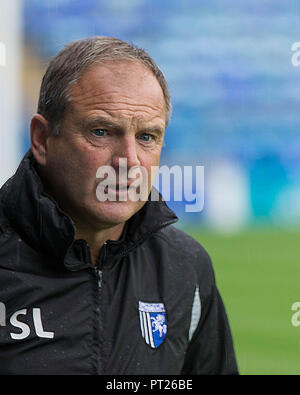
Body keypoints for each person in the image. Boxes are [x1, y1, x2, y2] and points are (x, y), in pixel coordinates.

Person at [0, 36, 238, 375]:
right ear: (42, 139)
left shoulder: (185, 267)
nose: (128, 161)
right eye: (101, 131)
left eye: (147, 137)